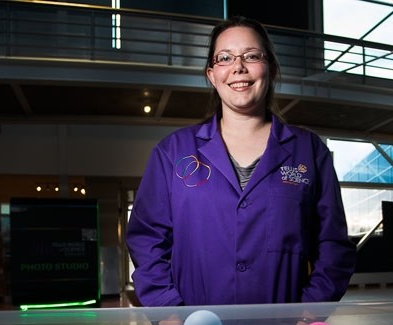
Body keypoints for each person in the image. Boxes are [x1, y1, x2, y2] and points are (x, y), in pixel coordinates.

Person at [126, 16, 356, 308]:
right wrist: (169, 310)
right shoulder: (173, 152)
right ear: (212, 74)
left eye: (251, 56)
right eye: (225, 58)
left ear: (270, 68)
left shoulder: (309, 151)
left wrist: (310, 310)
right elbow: (146, 238)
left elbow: (333, 245)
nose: (238, 67)